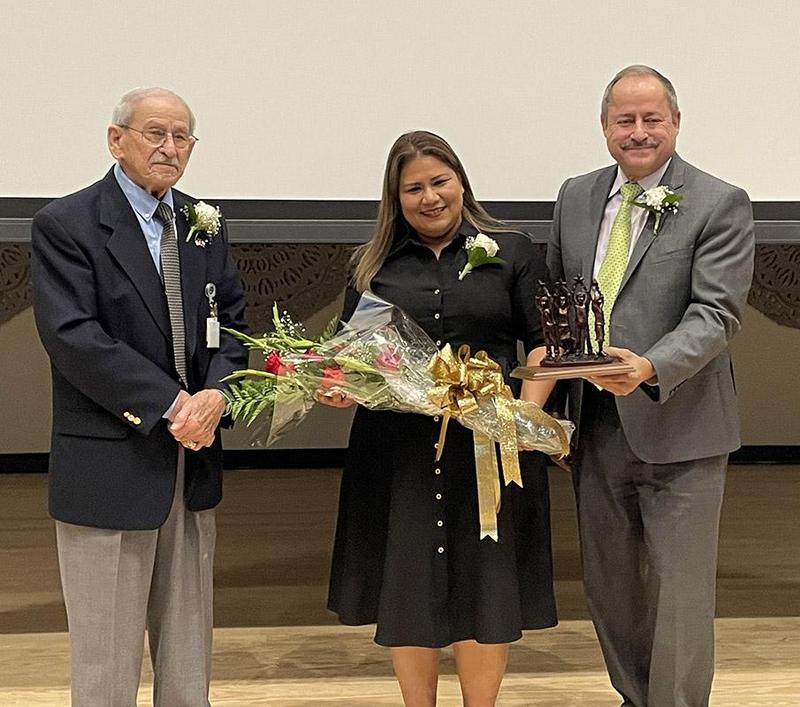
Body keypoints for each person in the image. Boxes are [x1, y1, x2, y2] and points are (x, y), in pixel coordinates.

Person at [321, 131, 557, 707]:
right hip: (396, 451)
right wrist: (335, 386)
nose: (429, 197)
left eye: (439, 182)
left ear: (461, 183)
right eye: (413, 188)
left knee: (487, 585)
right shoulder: (371, 266)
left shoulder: (514, 251)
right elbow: (354, 357)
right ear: (395, 198)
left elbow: (545, 346)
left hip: (489, 446)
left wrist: (523, 418)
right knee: (407, 583)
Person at [30, 87, 247, 707]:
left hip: (193, 459)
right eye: (156, 133)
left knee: (188, 662)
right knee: (104, 664)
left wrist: (216, 394)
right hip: (111, 461)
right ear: (116, 139)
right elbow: (74, 338)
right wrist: (173, 405)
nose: (170, 148)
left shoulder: (205, 225)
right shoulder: (66, 224)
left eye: (182, 137)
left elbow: (230, 324)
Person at [547, 65, 755, 707]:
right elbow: (560, 302)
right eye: (624, 120)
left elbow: (715, 313)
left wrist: (649, 367)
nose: (638, 133)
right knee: (613, 590)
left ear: (675, 122)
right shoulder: (575, 197)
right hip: (596, 431)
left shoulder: (719, 201)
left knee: (680, 591)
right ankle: (635, 698)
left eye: (651, 119)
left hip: (682, 428)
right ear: (605, 127)